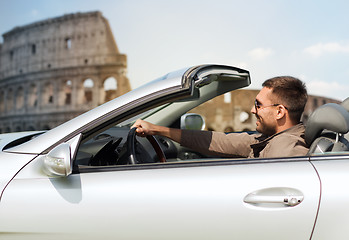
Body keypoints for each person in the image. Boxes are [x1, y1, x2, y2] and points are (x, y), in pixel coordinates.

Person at [132, 76, 309, 158]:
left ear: (279, 112)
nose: (252, 110)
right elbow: (217, 141)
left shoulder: (287, 150)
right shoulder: (268, 140)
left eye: (258, 105)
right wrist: (156, 129)